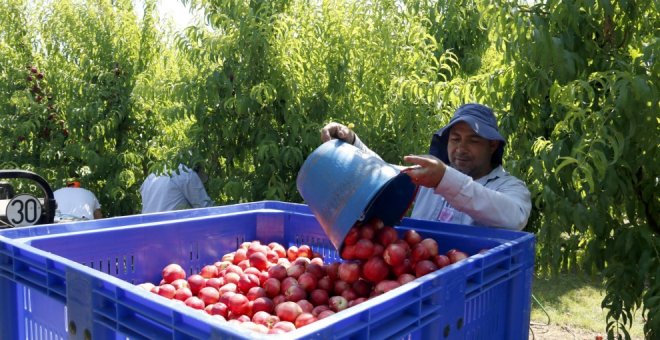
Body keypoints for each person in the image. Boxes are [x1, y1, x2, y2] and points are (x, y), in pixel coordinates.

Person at [320, 103, 532, 230]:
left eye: (473, 141)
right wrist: (353, 144)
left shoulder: (510, 188)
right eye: (455, 139)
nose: (461, 148)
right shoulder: (433, 174)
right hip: (418, 280)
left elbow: (514, 217)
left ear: (492, 145)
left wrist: (444, 180)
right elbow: (384, 172)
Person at [140, 163, 214, 214]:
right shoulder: (188, 174)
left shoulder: (151, 177)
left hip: (148, 232)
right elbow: (205, 209)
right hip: (173, 232)